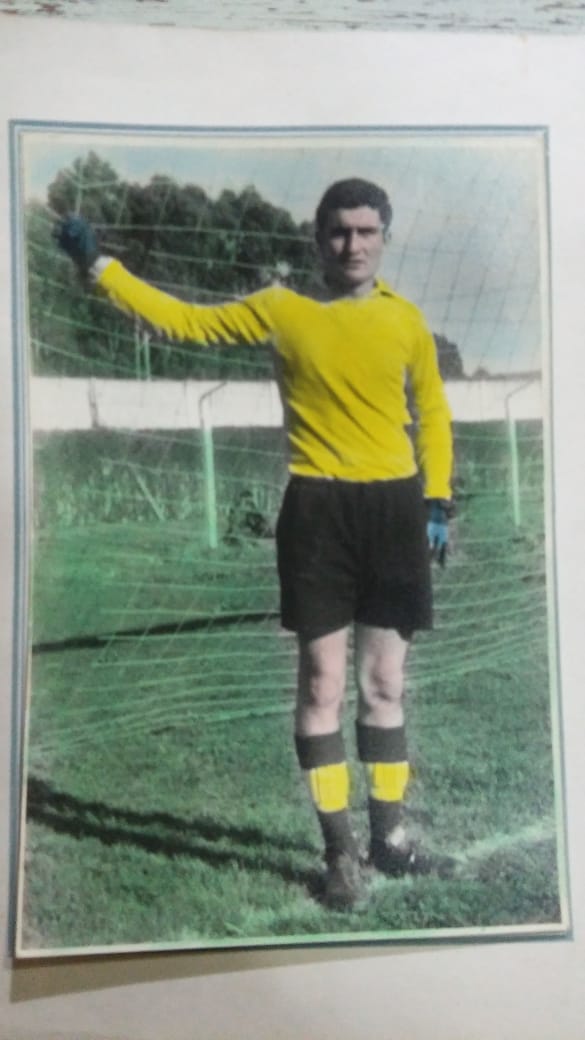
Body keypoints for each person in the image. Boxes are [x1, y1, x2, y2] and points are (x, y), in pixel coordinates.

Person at [56, 177, 453, 910]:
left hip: (395, 509)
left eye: (366, 231)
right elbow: (183, 321)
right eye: (339, 231)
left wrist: (437, 499)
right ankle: (339, 853)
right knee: (321, 685)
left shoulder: (406, 320)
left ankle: (391, 839)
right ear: (318, 238)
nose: (353, 244)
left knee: (385, 686)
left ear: (384, 238)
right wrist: (99, 267)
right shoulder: (282, 308)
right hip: (318, 509)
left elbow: (430, 409)